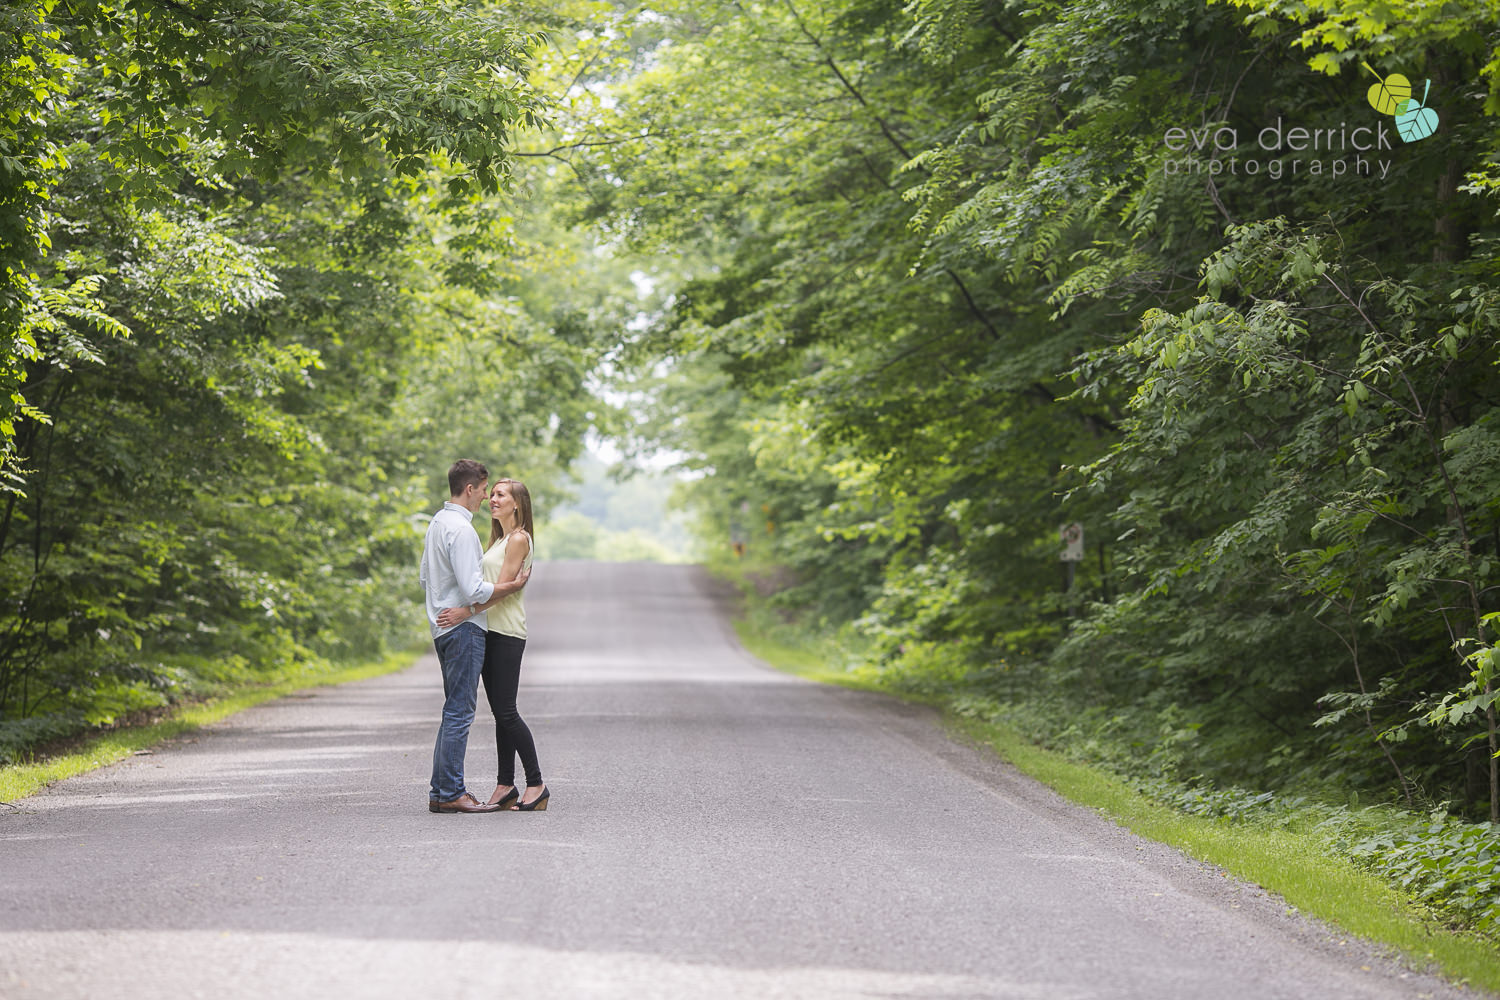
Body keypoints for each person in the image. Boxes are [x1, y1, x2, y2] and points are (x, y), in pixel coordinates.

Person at [420, 460, 529, 814]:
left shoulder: (437, 523)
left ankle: (441, 791)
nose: (486, 497)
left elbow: (425, 576)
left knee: (452, 708)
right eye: (484, 490)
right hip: (463, 629)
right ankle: (451, 791)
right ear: (470, 489)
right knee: (460, 711)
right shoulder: (463, 531)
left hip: (441, 625)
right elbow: (472, 589)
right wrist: (509, 586)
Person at [436, 478, 547, 811]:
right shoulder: (499, 540)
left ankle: (536, 783)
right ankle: (504, 785)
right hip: (490, 630)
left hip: (507, 632)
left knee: (508, 712)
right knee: (500, 713)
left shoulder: (518, 539)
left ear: (517, 504)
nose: (492, 499)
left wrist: (464, 612)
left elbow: (502, 590)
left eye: (500, 495)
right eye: (492, 494)